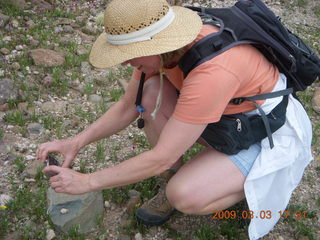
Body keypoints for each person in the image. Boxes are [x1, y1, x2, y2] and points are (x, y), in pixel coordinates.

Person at [36, 0, 313, 239]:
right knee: (148, 93)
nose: (124, 63)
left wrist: (88, 182)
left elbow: (162, 157)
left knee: (183, 194)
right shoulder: (164, 51)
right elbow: (126, 107)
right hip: (223, 117)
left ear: (156, 43)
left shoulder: (215, 70)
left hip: (262, 131)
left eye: (128, 54)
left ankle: (249, 186)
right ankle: (193, 174)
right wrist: (76, 142)